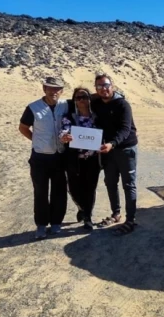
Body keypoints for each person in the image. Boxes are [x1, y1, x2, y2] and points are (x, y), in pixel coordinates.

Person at [18, 77, 70, 240]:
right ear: (44, 88)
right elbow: (23, 128)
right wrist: (36, 140)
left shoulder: (65, 105)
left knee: (59, 191)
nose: (53, 92)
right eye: (50, 88)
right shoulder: (33, 107)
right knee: (40, 191)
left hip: (59, 156)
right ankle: (41, 224)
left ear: (61, 91)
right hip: (40, 157)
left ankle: (56, 223)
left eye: (57, 89)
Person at [90, 73, 139, 235]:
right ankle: (116, 214)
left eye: (106, 85)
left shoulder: (123, 105)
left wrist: (112, 143)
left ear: (113, 86)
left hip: (125, 149)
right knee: (110, 182)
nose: (104, 89)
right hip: (108, 150)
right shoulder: (96, 102)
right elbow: (79, 99)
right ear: (96, 89)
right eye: (99, 86)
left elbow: (125, 129)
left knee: (128, 184)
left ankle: (131, 220)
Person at [59, 87, 101, 230]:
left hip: (93, 160)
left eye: (84, 96)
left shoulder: (97, 117)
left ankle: (88, 217)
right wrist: (64, 136)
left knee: (90, 188)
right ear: (74, 100)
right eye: (78, 97)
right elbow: (64, 130)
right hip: (74, 160)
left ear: (89, 99)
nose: (81, 100)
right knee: (74, 188)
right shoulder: (69, 117)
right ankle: (82, 208)